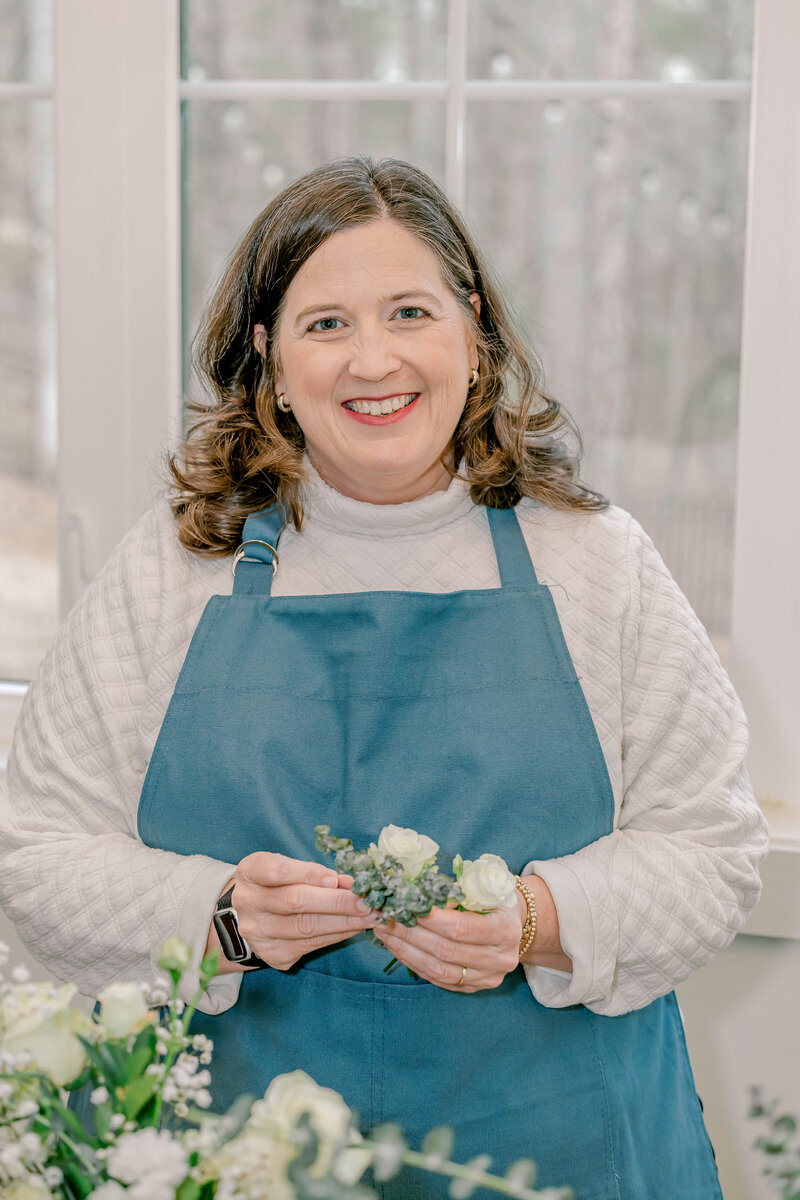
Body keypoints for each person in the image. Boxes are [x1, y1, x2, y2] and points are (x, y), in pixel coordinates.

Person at [0, 156, 768, 1199]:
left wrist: (540, 918)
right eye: (325, 325)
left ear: (473, 332)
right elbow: (36, 857)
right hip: (226, 1154)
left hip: (562, 1143)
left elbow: (711, 848)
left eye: (408, 311)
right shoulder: (175, 567)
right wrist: (218, 916)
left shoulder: (596, 562)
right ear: (268, 359)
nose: (372, 360)